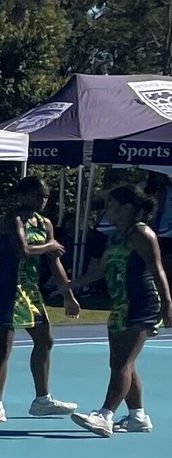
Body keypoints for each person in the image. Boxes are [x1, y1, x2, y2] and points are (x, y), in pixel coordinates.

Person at [0, 176, 82, 424]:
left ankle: (42, 400)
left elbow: (55, 262)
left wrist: (68, 295)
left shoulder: (45, 224)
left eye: (45, 196)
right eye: (38, 196)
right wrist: (49, 246)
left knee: (45, 340)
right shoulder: (12, 218)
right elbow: (23, 250)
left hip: (30, 289)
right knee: (3, 346)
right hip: (6, 288)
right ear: (23, 195)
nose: (42, 200)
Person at [70, 183, 166, 438]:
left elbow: (158, 270)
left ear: (127, 208)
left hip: (142, 303)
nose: (107, 210)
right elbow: (100, 270)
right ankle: (138, 416)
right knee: (120, 363)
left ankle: (105, 415)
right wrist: (71, 285)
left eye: (111, 205)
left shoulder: (142, 234)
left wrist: (168, 306)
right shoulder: (115, 236)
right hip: (121, 304)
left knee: (123, 362)